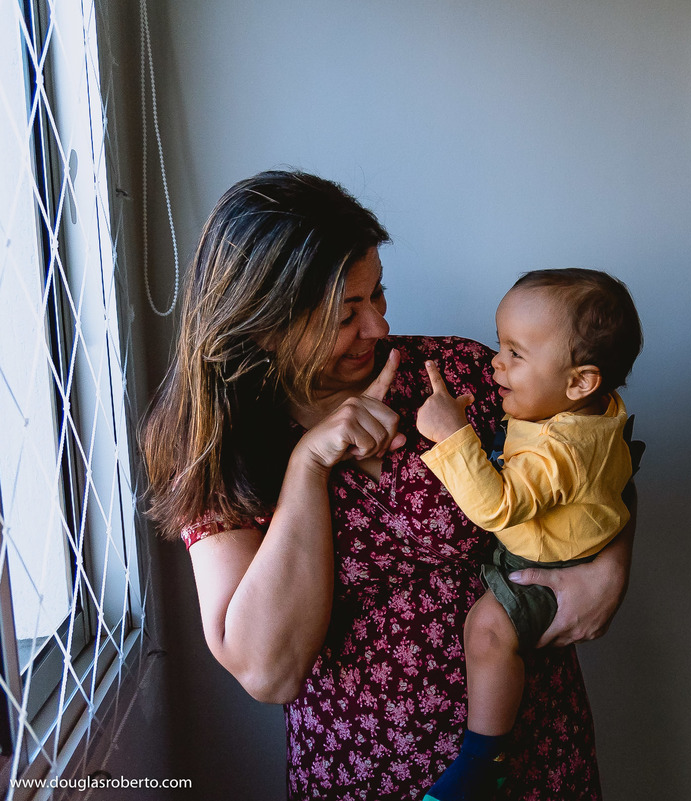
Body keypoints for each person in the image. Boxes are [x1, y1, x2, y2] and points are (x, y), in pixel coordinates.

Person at [141, 170, 635, 800]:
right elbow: (269, 670)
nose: (378, 327)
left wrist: (610, 570)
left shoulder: (456, 373)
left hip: (531, 752)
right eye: (347, 313)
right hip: (364, 770)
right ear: (262, 321)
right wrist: (307, 467)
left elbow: (598, 457)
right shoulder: (215, 443)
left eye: (378, 296)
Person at [415, 269, 642, 801]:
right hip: (556, 536)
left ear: (580, 382)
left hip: (554, 563)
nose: (496, 363)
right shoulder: (580, 408)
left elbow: (496, 505)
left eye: (515, 353)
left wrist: (453, 436)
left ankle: (479, 763)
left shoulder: (562, 448)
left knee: (487, 633)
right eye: (500, 345)